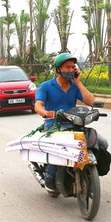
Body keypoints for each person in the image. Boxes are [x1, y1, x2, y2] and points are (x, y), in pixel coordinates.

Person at [34, 52, 95, 196]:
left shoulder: (75, 87)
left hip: (73, 124)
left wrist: (78, 82)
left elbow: (90, 101)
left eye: (73, 67)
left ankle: (89, 175)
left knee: (99, 143)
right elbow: (38, 105)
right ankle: (51, 178)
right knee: (59, 150)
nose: (71, 70)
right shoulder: (46, 86)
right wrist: (46, 113)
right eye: (67, 67)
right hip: (53, 125)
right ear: (58, 69)